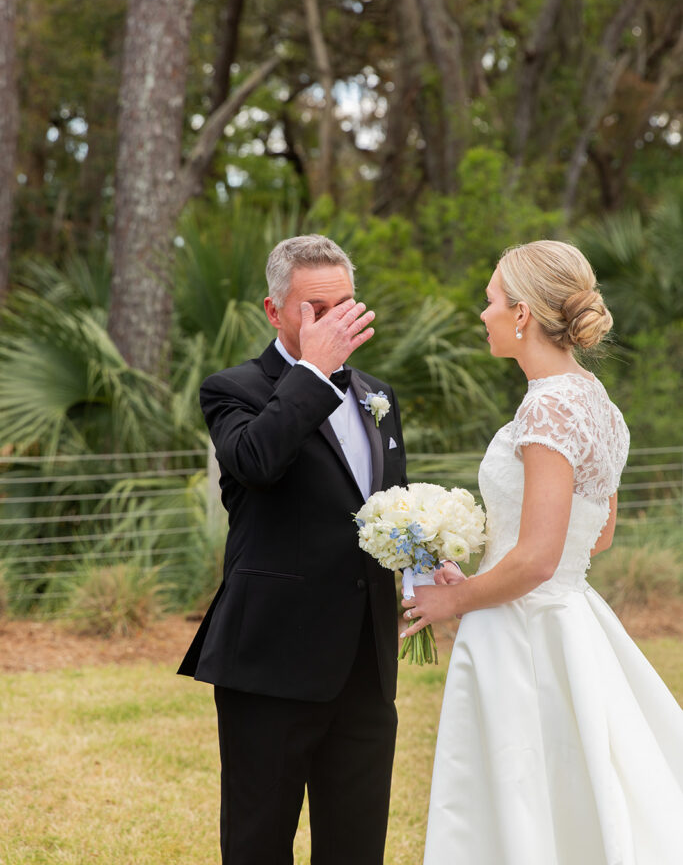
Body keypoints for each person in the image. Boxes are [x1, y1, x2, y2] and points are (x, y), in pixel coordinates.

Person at [401, 239, 683, 864]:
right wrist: (480, 561)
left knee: (521, 788)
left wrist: (454, 601)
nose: (484, 314)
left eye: (491, 300)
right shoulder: (599, 404)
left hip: (521, 630)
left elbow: (536, 560)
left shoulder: (548, 406)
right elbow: (596, 536)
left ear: (522, 313)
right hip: (572, 618)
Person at [178, 234, 407, 865]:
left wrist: (424, 557)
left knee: (357, 845)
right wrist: (312, 372)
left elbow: (391, 505)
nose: (335, 321)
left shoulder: (378, 395)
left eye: (344, 305)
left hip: (364, 663)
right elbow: (256, 462)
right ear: (274, 311)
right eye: (316, 310)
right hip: (271, 660)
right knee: (258, 843)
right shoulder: (233, 389)